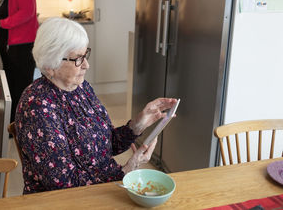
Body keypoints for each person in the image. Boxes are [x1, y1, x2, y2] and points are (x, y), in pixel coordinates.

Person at [14, 17, 177, 194]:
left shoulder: (81, 87)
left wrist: (139, 123)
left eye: (85, 55)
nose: (86, 65)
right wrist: (126, 170)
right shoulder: (37, 107)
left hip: (104, 187)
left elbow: (107, 145)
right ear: (51, 65)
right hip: (67, 201)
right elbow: (63, 184)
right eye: (78, 59)